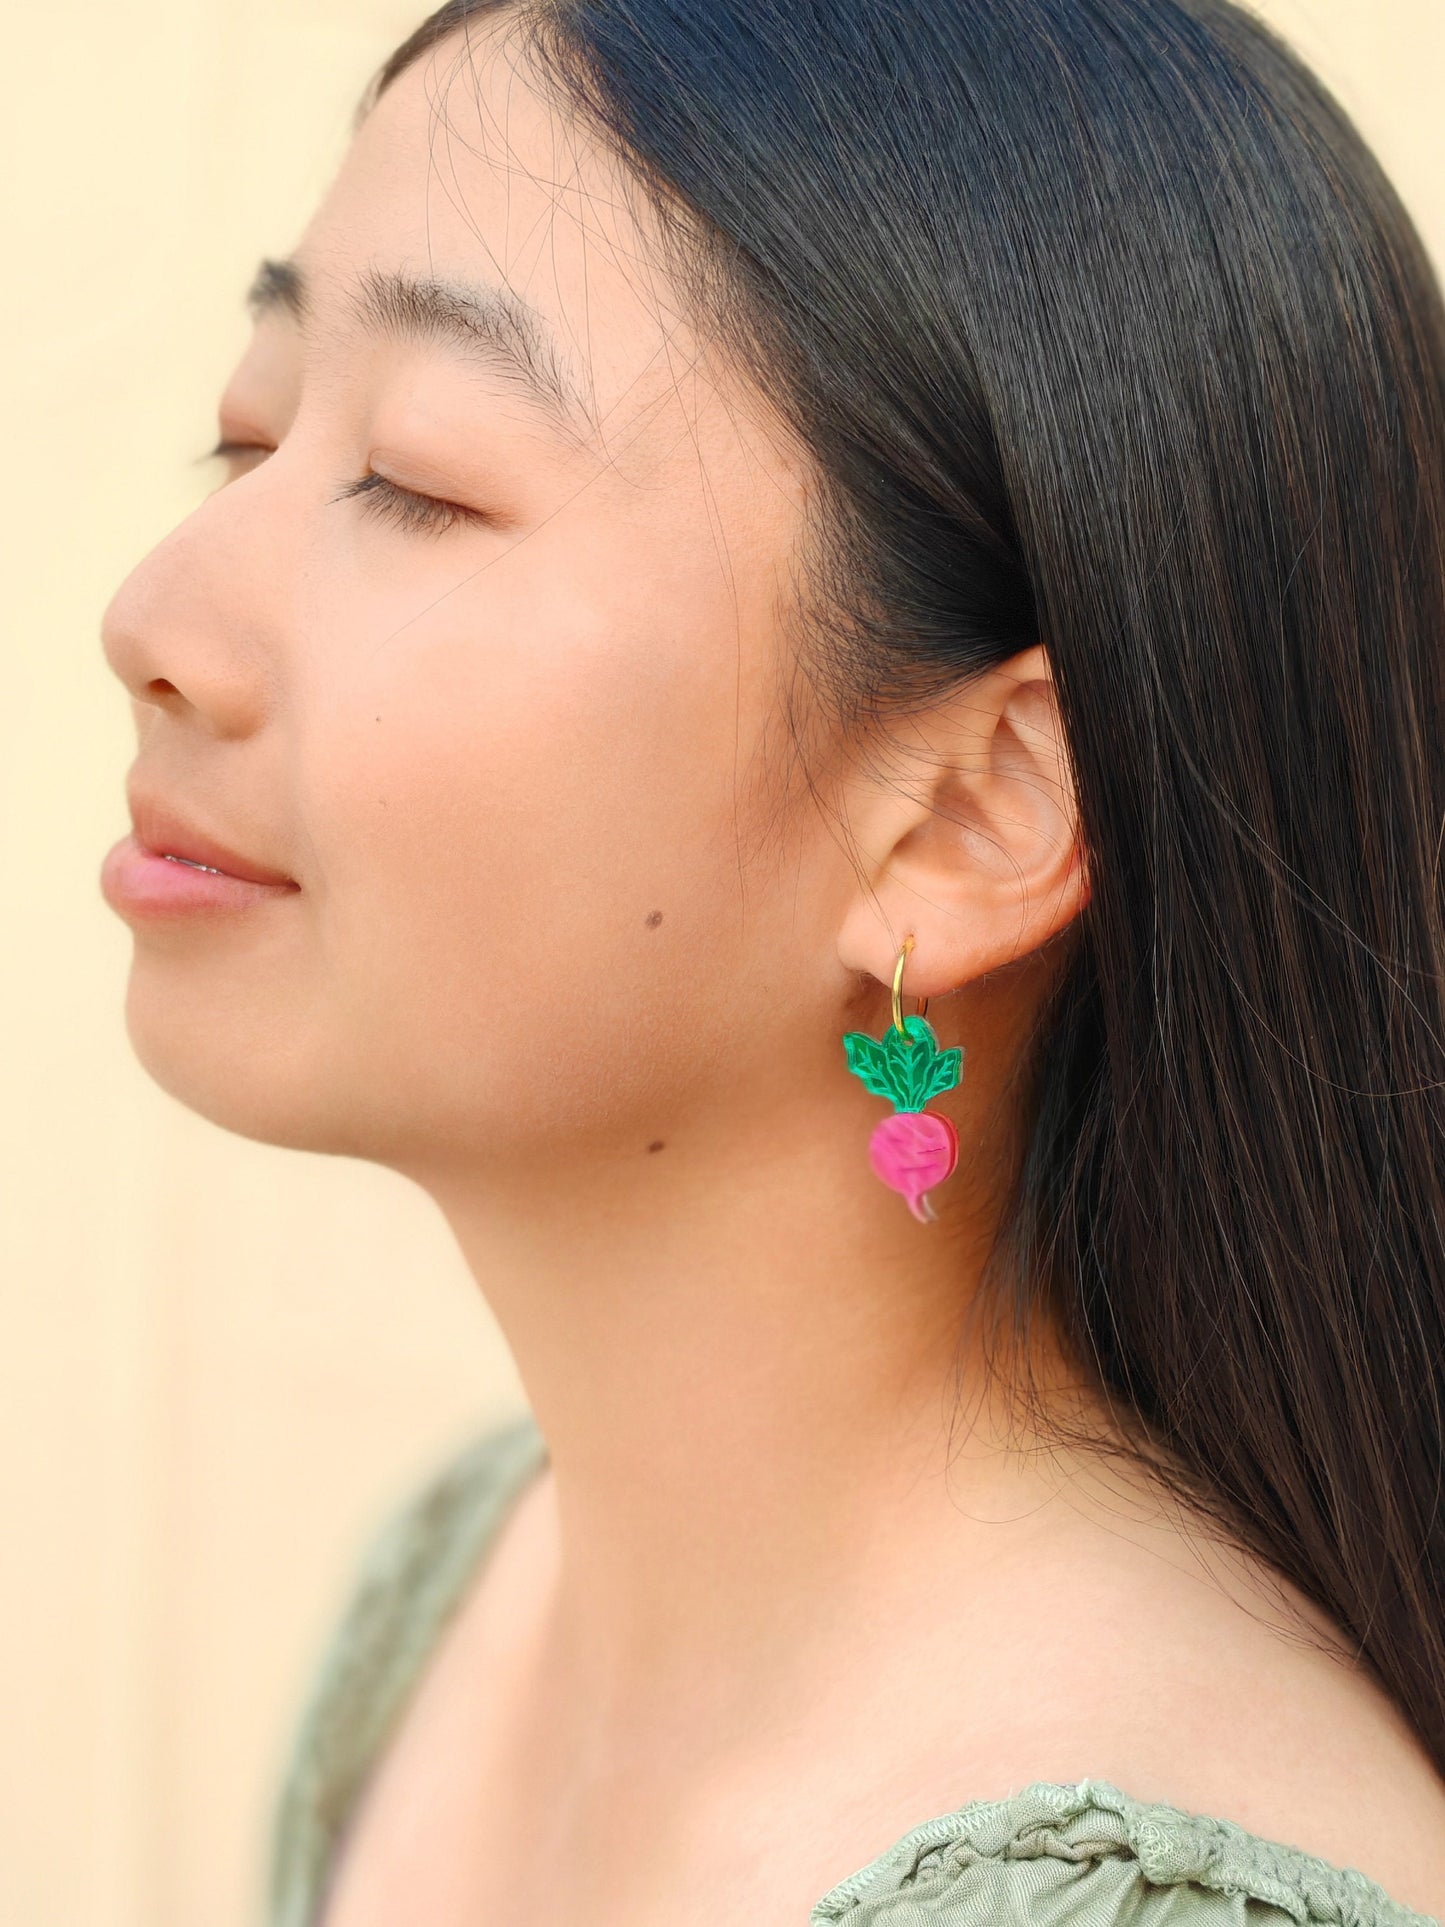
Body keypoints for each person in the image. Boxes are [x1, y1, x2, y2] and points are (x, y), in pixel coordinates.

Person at [97, 0, 1445, 1921]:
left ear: (967, 816)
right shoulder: (461, 1591)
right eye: (249, 426)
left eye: (417, 482)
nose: (153, 617)